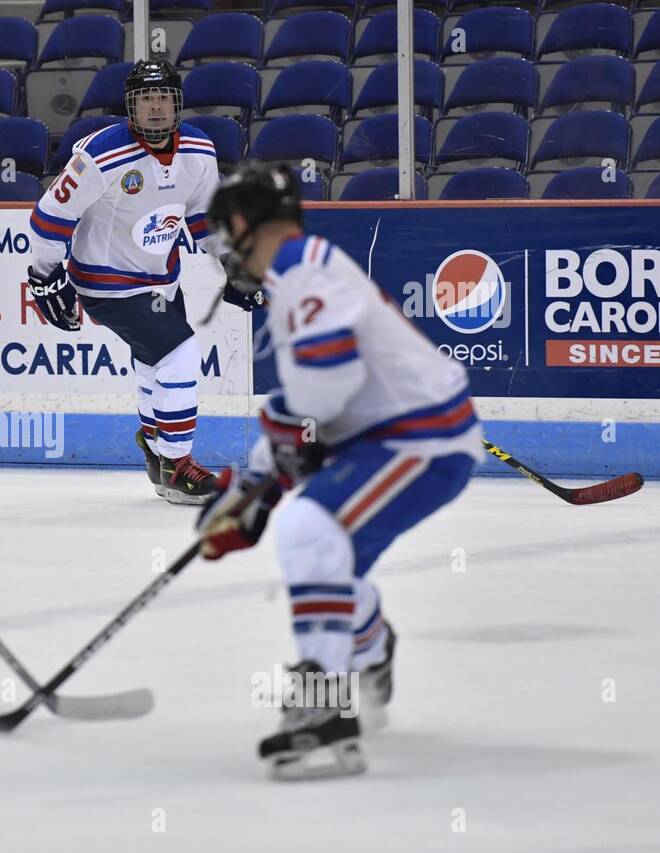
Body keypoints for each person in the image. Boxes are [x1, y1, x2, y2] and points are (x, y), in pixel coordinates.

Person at [198, 160, 483, 779]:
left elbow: (324, 394)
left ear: (244, 222)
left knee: (309, 528)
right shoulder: (300, 269)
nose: (224, 245)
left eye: (225, 228)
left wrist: (267, 489)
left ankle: (326, 717)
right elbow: (308, 412)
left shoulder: (304, 277)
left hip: (419, 438)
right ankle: (372, 645)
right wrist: (252, 487)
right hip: (395, 436)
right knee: (325, 556)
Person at [28, 59, 258, 505]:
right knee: (180, 354)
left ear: (178, 104)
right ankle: (177, 464)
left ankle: (157, 454)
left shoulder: (199, 151)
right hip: (106, 282)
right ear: (129, 106)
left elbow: (204, 218)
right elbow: (49, 217)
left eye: (164, 98)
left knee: (155, 362)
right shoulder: (99, 154)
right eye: (145, 99)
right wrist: (44, 274)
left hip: (163, 278)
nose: (155, 108)